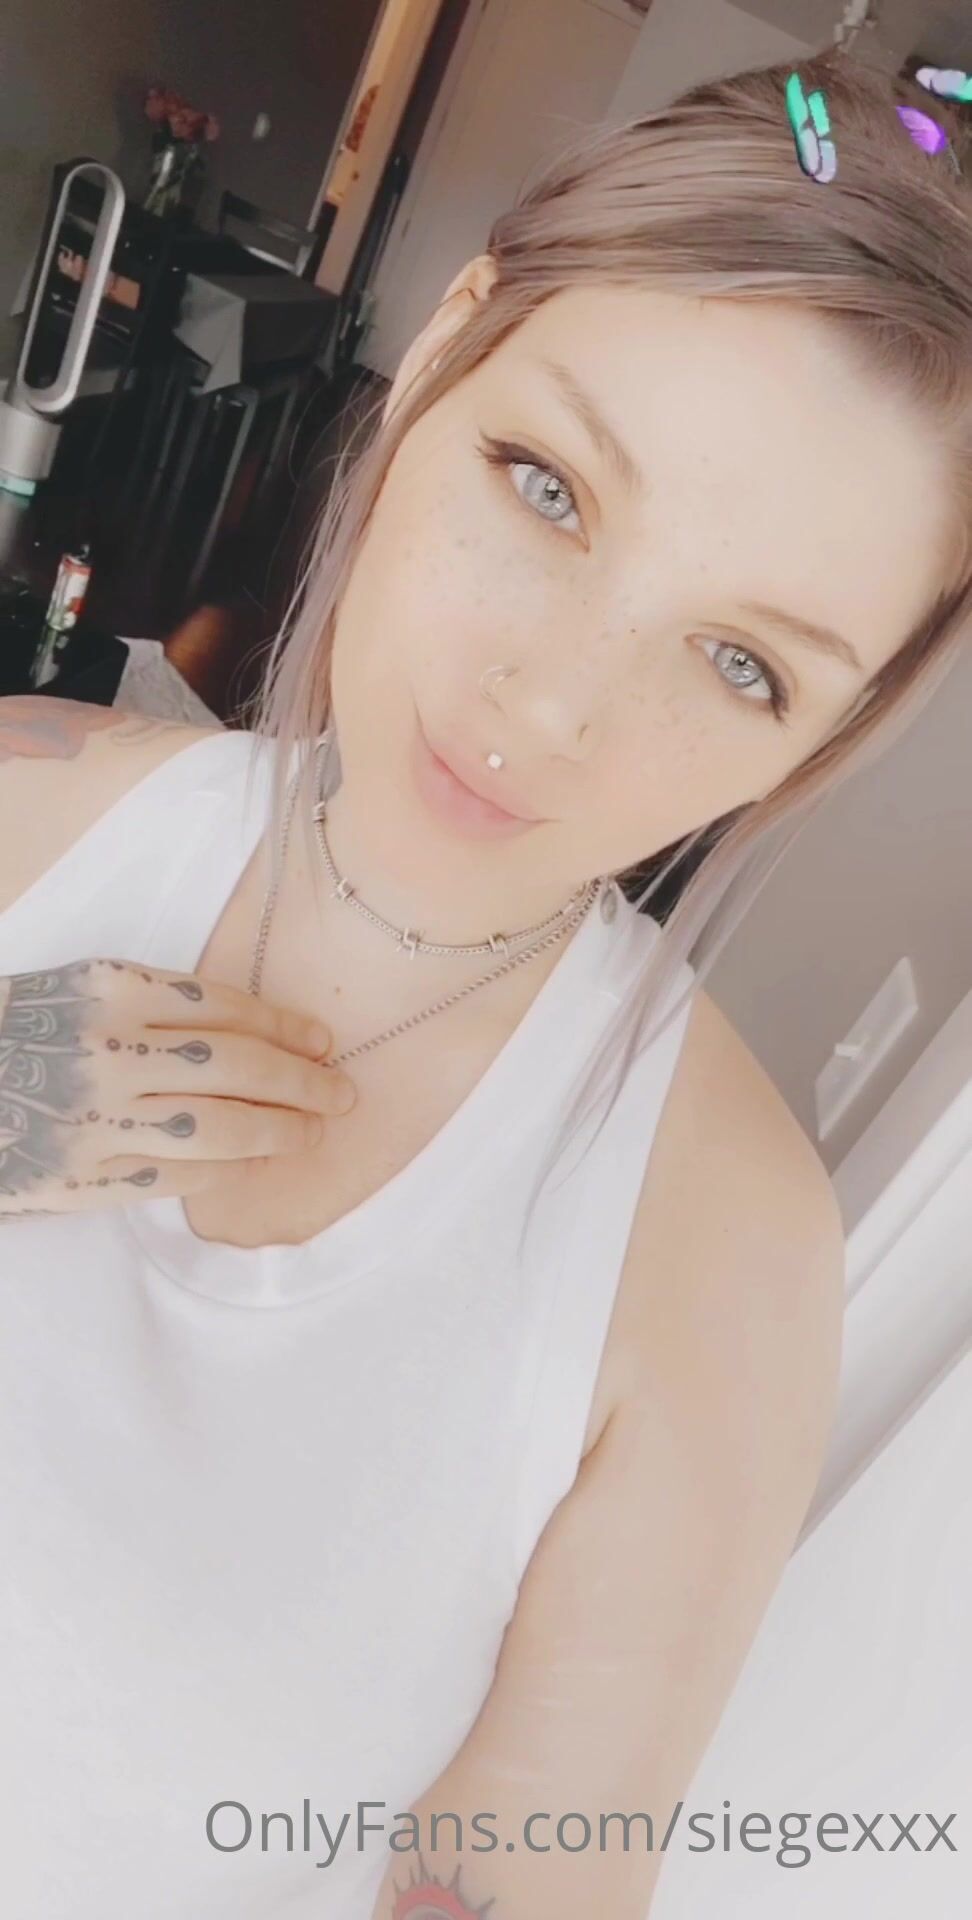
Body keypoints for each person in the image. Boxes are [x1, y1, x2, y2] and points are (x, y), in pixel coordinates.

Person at [0, 46, 969, 1920]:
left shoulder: (714, 1254)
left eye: (745, 665)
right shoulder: (27, 809)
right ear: (446, 344)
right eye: (548, 488)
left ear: (826, 739)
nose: (555, 704)